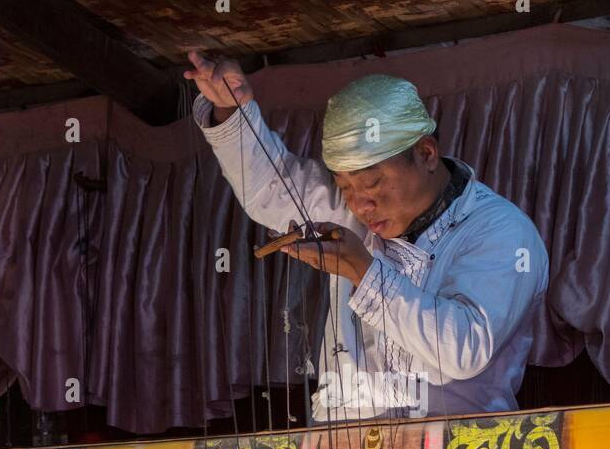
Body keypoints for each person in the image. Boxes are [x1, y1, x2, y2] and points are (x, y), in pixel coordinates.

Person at [185, 53, 549, 423]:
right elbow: (271, 189)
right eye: (344, 186)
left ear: (426, 153)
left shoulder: (501, 230)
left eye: (373, 182)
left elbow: (462, 350)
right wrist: (232, 112)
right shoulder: (350, 213)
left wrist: (365, 272)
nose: (361, 205)